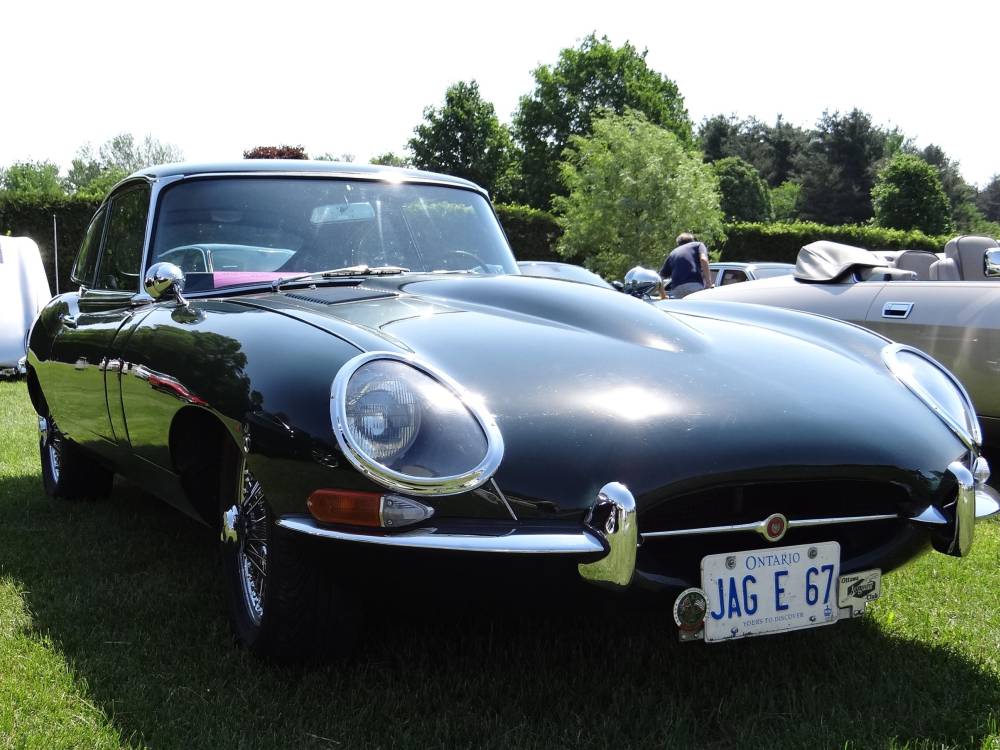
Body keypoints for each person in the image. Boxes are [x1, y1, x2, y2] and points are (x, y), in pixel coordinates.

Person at [659, 233, 714, 298]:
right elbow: (703, 259)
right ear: (692, 240)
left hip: (677, 289)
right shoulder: (698, 245)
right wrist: (709, 283)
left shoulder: (673, 253)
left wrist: (663, 295)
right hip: (694, 285)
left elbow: (659, 278)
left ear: (678, 244)